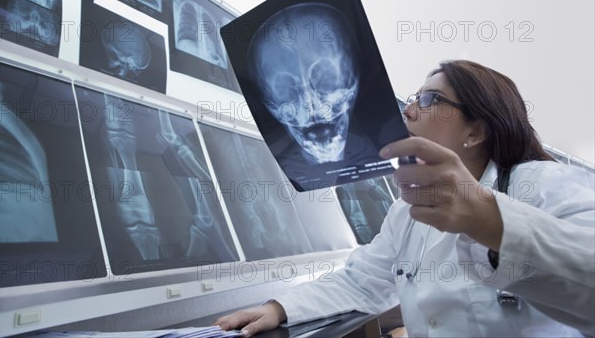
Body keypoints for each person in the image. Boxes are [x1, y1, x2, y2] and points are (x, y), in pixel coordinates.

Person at [215, 60, 595, 337]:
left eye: (429, 99)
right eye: (413, 97)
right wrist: (279, 307)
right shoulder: (406, 212)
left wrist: (488, 220)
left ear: (476, 130)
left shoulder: (543, 184)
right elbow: (361, 282)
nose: (408, 109)